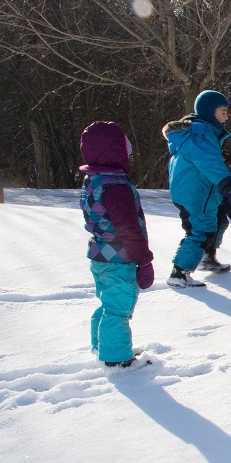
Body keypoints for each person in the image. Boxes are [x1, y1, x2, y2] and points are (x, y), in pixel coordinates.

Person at [79, 121, 154, 368]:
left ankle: (103, 346)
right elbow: (128, 229)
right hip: (120, 259)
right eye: (126, 148)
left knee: (108, 304)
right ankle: (118, 359)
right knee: (119, 310)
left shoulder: (95, 180)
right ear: (116, 152)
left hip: (100, 256)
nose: (129, 153)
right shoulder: (116, 187)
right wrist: (143, 261)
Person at [162, 89, 231, 288]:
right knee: (200, 230)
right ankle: (179, 272)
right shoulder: (200, 134)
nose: (226, 116)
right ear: (210, 112)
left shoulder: (203, 132)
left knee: (218, 221)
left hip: (203, 191)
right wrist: (229, 187)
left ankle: (207, 258)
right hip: (195, 194)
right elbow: (210, 163)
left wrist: (223, 193)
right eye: (223, 111)